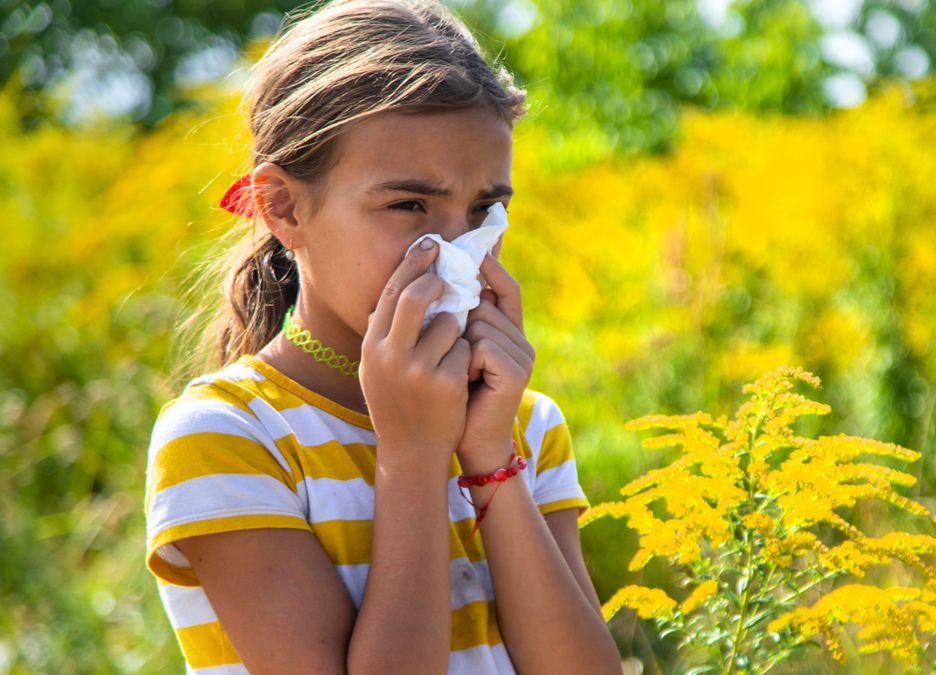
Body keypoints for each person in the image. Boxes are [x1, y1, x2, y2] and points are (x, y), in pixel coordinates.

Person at [142, 1, 623, 672]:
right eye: (410, 205)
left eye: (485, 209)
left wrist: (489, 458)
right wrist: (417, 453)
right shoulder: (227, 438)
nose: (458, 249)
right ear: (283, 205)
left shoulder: (526, 427)